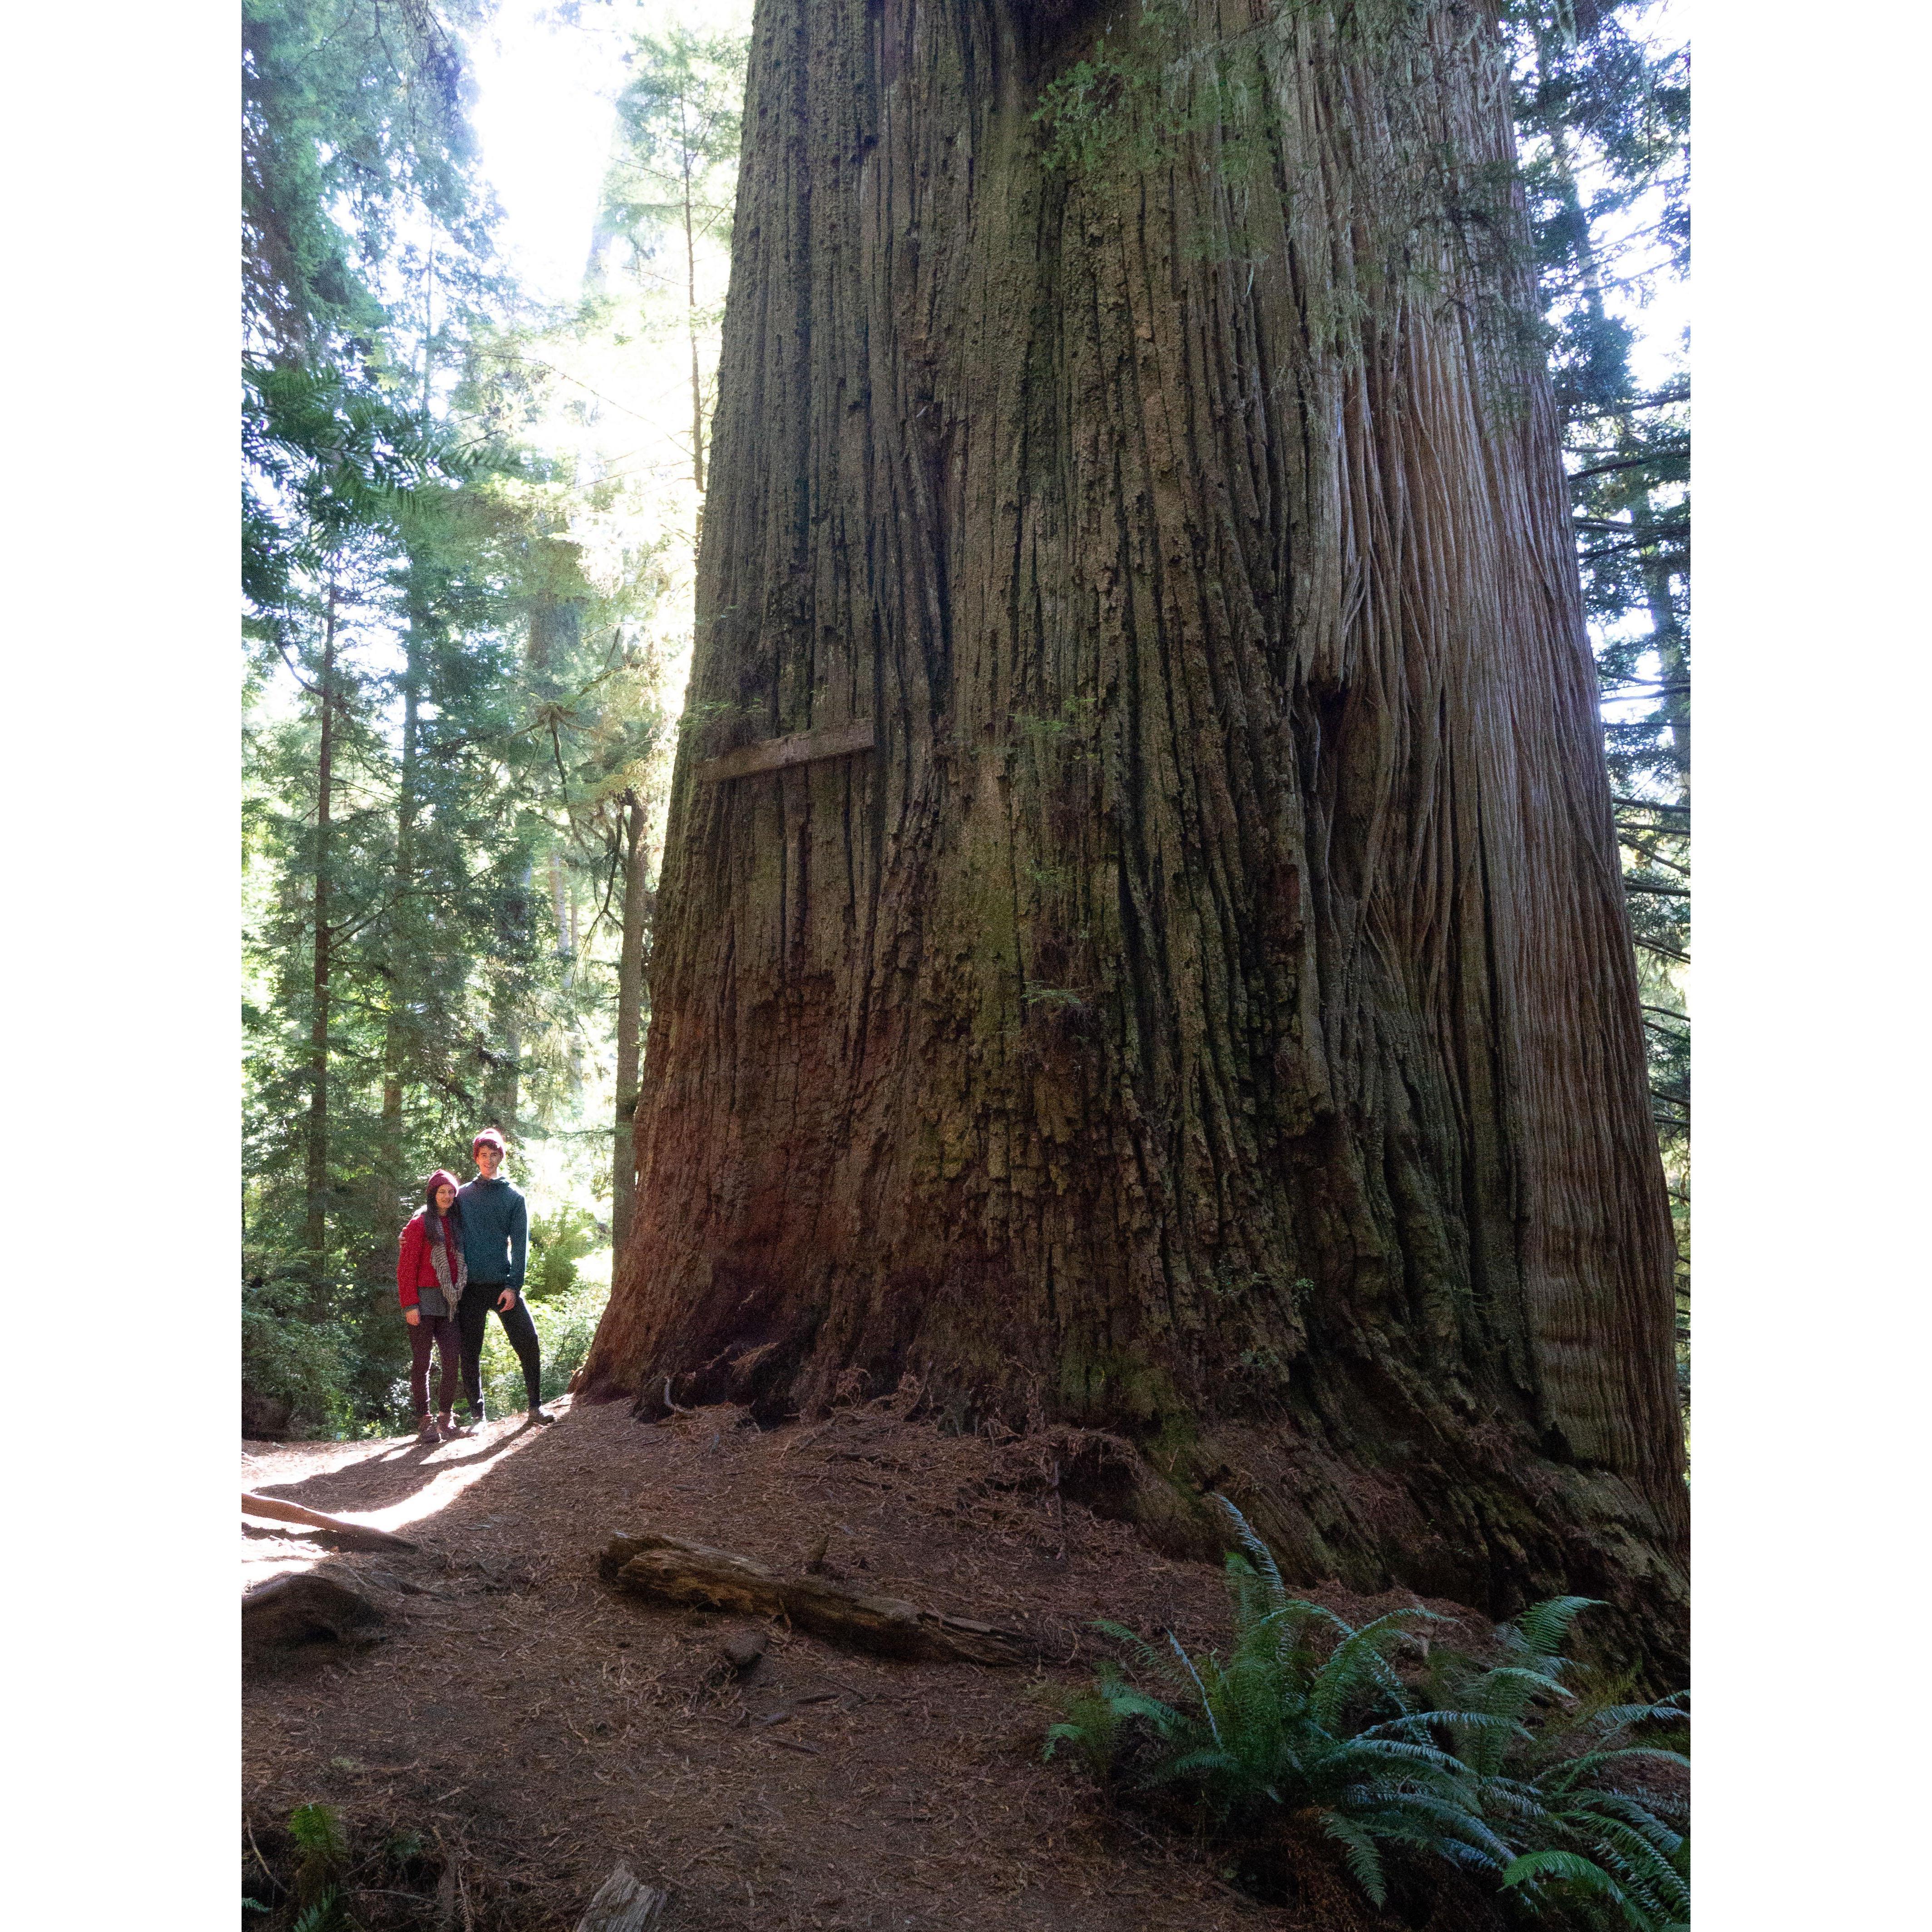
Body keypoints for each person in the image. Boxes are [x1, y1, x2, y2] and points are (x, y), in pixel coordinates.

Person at [455, 1128, 553, 1427]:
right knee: (469, 1350)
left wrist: (514, 1286)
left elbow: (521, 1245)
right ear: (476, 1158)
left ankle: (535, 1407)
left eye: (493, 1154)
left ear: (501, 1157)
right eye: (483, 1155)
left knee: (528, 1341)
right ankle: (477, 1416)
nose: (488, 1160)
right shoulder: (462, 1195)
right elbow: (437, 1216)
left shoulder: (514, 1197)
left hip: (502, 1285)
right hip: (469, 1288)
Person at [396, 1170, 469, 1445]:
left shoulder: (457, 1223)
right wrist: (410, 1305)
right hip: (423, 1303)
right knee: (422, 1363)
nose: (448, 1197)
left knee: (452, 1360)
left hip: (450, 1302)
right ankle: (425, 1420)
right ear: (433, 1194)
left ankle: (446, 1416)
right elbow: (405, 1268)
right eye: (442, 1192)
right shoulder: (418, 1225)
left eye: (452, 1192)